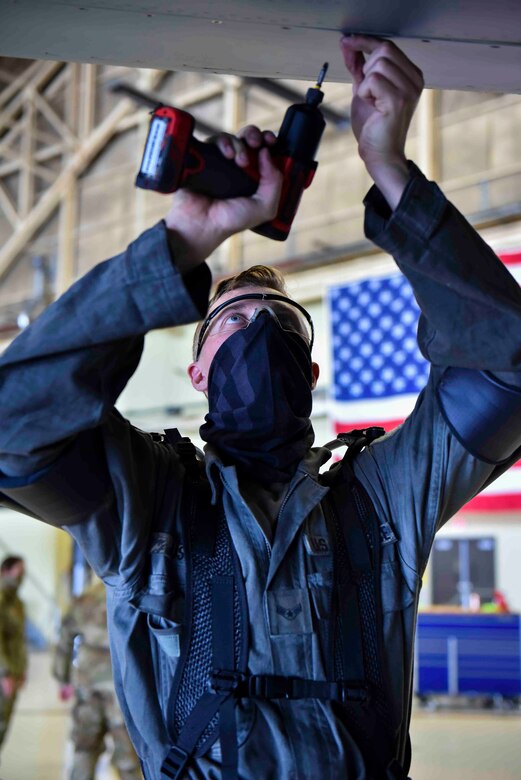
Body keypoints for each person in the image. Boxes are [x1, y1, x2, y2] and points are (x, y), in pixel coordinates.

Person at [0, 34, 520, 779]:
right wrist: (182, 242)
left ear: (310, 373)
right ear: (198, 370)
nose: (260, 326)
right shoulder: (148, 508)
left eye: (281, 322)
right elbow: (13, 429)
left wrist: (392, 172)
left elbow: (507, 366)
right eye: (233, 321)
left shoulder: (379, 500)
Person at [53, 580, 142, 780]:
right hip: (122, 687)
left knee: (85, 747)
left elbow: (65, 638)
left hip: (88, 683)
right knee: (128, 754)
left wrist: (63, 678)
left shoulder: (86, 599)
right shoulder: (133, 594)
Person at [0, 555, 27, 754]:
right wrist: (4, 673)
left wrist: (21, 669)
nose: (21, 577)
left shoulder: (16, 602)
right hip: (3, 674)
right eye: (18, 571)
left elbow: (19, 639)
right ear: (5, 571)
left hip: (13, 671)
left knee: (4, 724)